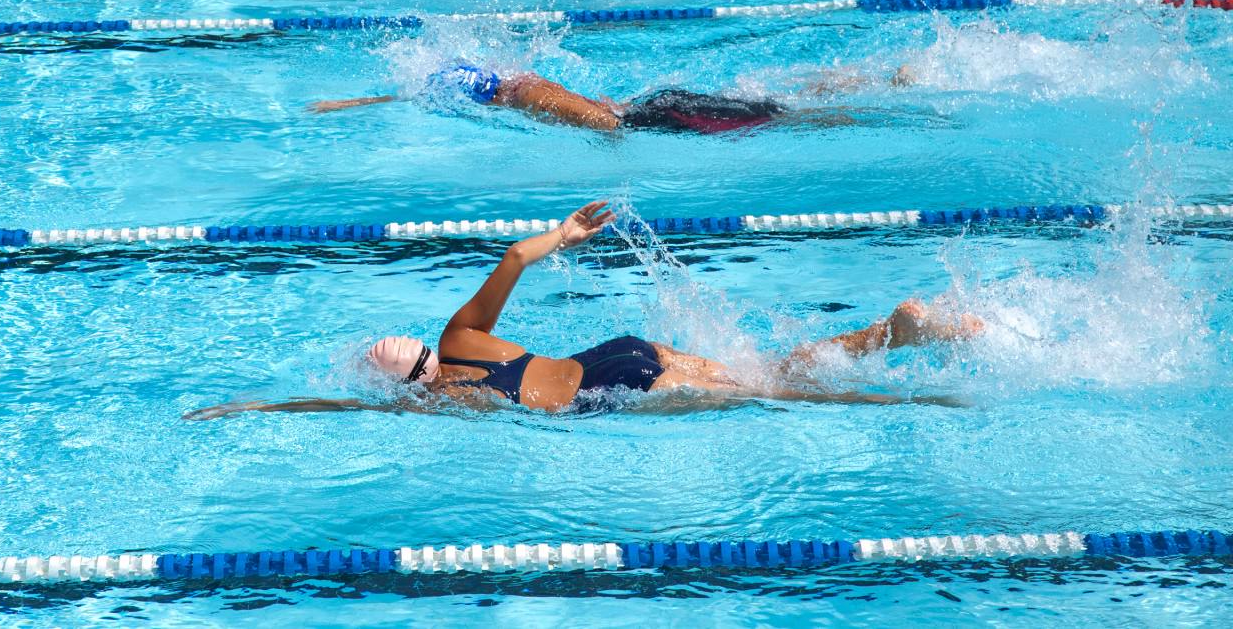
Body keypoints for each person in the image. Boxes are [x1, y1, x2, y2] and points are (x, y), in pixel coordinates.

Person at [185, 201, 982, 418]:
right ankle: (890, 333)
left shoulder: (437, 398)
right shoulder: (459, 339)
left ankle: (914, 386)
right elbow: (511, 259)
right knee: (767, 371)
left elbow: (335, 406)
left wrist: (257, 403)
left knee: (782, 392)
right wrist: (561, 234)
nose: (386, 341)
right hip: (618, 351)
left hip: (615, 392)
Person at [310, 61, 800, 134]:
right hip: (654, 104)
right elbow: (405, 95)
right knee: (773, 111)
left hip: (661, 115)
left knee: (781, 120)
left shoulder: (524, 97)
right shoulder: (520, 80)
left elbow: (608, 125)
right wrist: (348, 105)